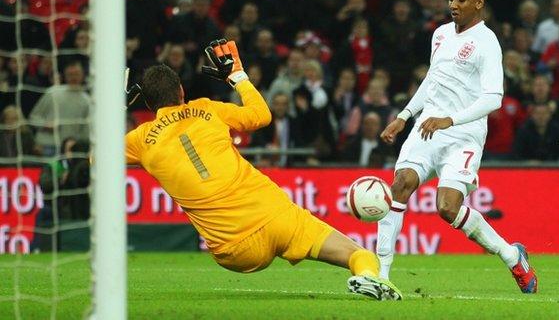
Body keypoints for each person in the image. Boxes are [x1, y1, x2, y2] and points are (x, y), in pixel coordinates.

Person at [124, 39, 402, 300]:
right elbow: (262, 115)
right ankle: (365, 274)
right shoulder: (207, 109)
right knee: (357, 254)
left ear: (147, 104)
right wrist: (238, 77)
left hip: (233, 248)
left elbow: (95, 160)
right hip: (275, 216)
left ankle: (366, 276)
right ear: (182, 91)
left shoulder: (140, 140)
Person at [375, 0, 538, 294]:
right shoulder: (439, 34)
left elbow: (494, 98)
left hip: (464, 134)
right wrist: (403, 116)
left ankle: (511, 255)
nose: (453, 4)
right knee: (400, 186)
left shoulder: (487, 42)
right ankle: (381, 275)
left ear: (478, 3)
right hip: (427, 128)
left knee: (447, 207)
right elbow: (431, 82)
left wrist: (450, 119)